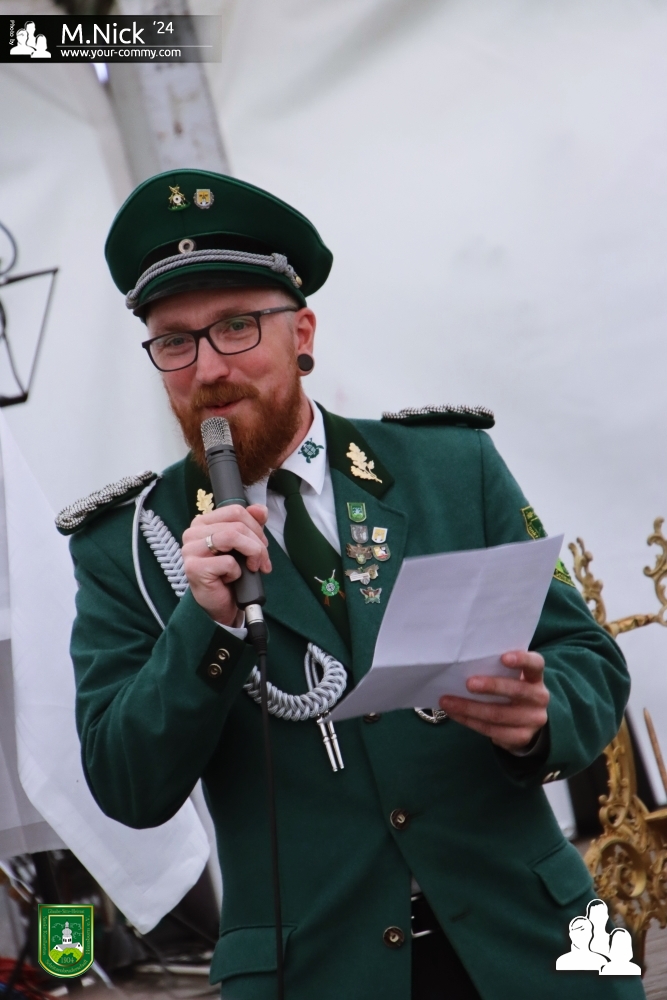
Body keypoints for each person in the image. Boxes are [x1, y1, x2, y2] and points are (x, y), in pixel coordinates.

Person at [59, 169, 645, 1000]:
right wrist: (205, 625)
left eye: (236, 326)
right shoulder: (126, 546)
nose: (208, 367)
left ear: (301, 332)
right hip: (317, 972)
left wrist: (541, 719)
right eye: (174, 342)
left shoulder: (447, 466)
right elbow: (126, 786)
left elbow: (586, 659)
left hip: (535, 944)